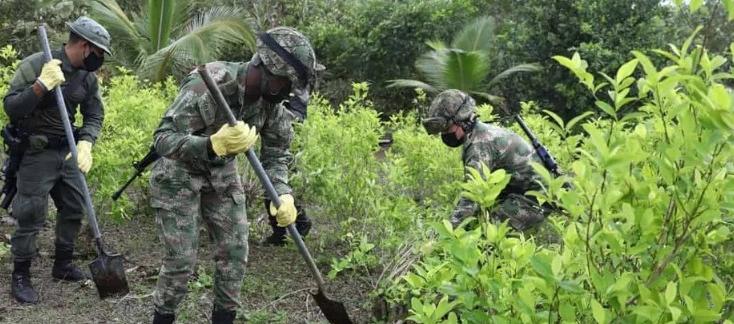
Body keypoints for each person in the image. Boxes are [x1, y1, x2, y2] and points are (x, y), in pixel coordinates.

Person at [148, 26, 322, 324]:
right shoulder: (210, 84)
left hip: (221, 174)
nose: (288, 92)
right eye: (286, 83)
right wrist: (211, 144)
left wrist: (282, 192)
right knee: (181, 262)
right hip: (178, 172)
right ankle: (162, 318)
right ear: (269, 69)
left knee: (235, 252)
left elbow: (276, 155)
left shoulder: (272, 107)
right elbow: (163, 139)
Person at [2, 16, 111, 304]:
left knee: (75, 207)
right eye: (98, 53)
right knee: (30, 214)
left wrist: (87, 142)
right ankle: (21, 275)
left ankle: (62, 265)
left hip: (67, 152)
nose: (99, 60)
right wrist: (41, 85)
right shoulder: (38, 63)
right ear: (85, 46)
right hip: (35, 153)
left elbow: (94, 114)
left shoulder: (86, 78)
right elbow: (11, 107)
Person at [422, 89, 546, 231]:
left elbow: (472, 197)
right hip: (516, 190)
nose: (444, 134)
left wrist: (446, 234)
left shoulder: (479, 145)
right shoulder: (478, 133)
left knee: (489, 233)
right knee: (480, 218)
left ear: (462, 121)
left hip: (536, 198)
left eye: (447, 129)